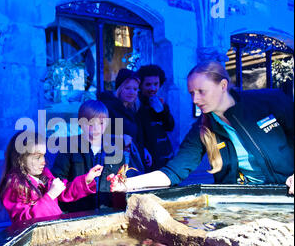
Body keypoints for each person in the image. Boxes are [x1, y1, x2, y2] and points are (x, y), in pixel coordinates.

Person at [109, 60, 294, 193]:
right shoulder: (201, 128)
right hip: (237, 203)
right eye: (191, 93)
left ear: (223, 85)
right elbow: (174, 171)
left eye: (201, 92)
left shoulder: (270, 101)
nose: (195, 100)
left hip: (284, 192)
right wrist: (126, 184)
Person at [51, 100, 143, 212]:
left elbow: (125, 179)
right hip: (76, 212)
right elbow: (57, 180)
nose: (96, 128)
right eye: (90, 124)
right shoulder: (68, 147)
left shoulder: (115, 149)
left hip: (108, 212)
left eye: (101, 123)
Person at [0, 131, 103, 224]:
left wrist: (86, 180)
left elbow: (63, 191)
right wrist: (50, 195)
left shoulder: (45, 175)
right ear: (20, 159)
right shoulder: (15, 184)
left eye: (43, 155)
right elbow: (24, 220)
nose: (43, 161)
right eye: (37, 157)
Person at [99, 68, 153, 170]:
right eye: (127, 88)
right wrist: (119, 139)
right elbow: (98, 136)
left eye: (135, 89)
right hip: (115, 165)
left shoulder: (132, 109)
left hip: (131, 161)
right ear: (119, 88)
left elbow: (134, 135)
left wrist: (143, 149)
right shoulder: (108, 109)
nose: (132, 92)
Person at [137, 65, 175, 170]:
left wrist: (163, 111)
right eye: (148, 84)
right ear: (140, 85)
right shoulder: (135, 104)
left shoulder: (160, 102)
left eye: (156, 84)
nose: (153, 88)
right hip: (148, 159)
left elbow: (170, 127)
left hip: (165, 156)